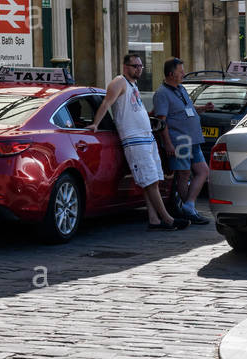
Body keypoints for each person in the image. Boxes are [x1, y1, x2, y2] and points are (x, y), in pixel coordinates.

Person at [89, 53, 189, 231]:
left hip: (146, 136)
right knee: (149, 180)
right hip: (134, 139)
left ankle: (153, 219)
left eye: (141, 66)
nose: (139, 69)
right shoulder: (119, 81)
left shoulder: (133, 84)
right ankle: (167, 219)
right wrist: (96, 123)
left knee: (153, 179)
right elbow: (106, 103)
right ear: (125, 66)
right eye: (135, 66)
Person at [152, 57, 211, 225]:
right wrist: (168, 143)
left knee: (203, 171)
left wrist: (203, 109)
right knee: (184, 174)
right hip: (180, 141)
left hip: (193, 140)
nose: (184, 74)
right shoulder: (162, 94)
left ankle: (189, 205)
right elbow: (161, 120)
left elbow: (187, 109)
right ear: (171, 74)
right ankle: (188, 210)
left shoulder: (181, 88)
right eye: (181, 71)